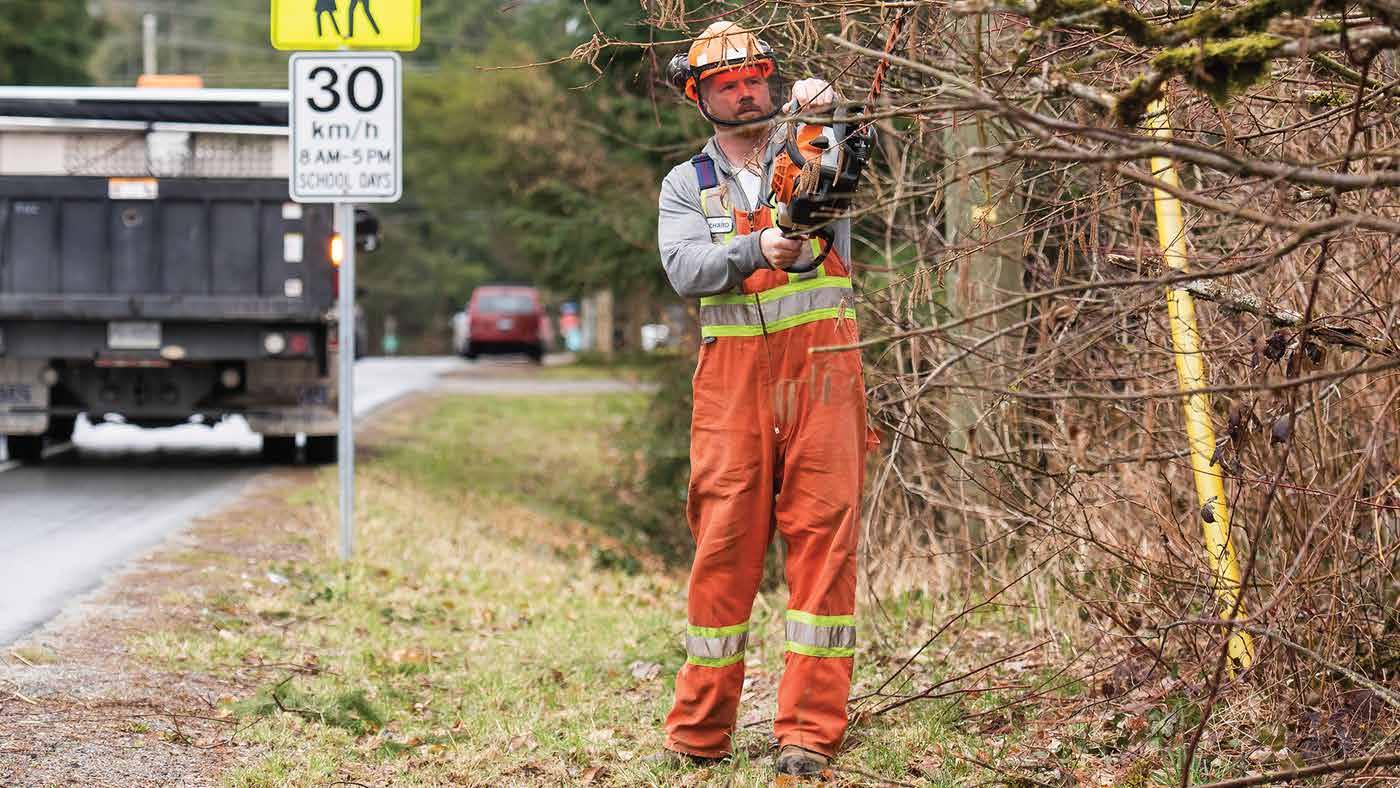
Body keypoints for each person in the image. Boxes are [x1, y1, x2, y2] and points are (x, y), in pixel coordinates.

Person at [653, 19, 874, 781]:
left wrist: (830, 111)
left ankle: (809, 734)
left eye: (755, 80)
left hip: (825, 375)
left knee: (825, 545)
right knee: (723, 547)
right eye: (728, 85)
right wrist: (756, 248)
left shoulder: (809, 143)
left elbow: (846, 171)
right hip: (732, 384)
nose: (746, 94)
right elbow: (685, 268)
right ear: (700, 96)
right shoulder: (686, 184)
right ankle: (699, 732)